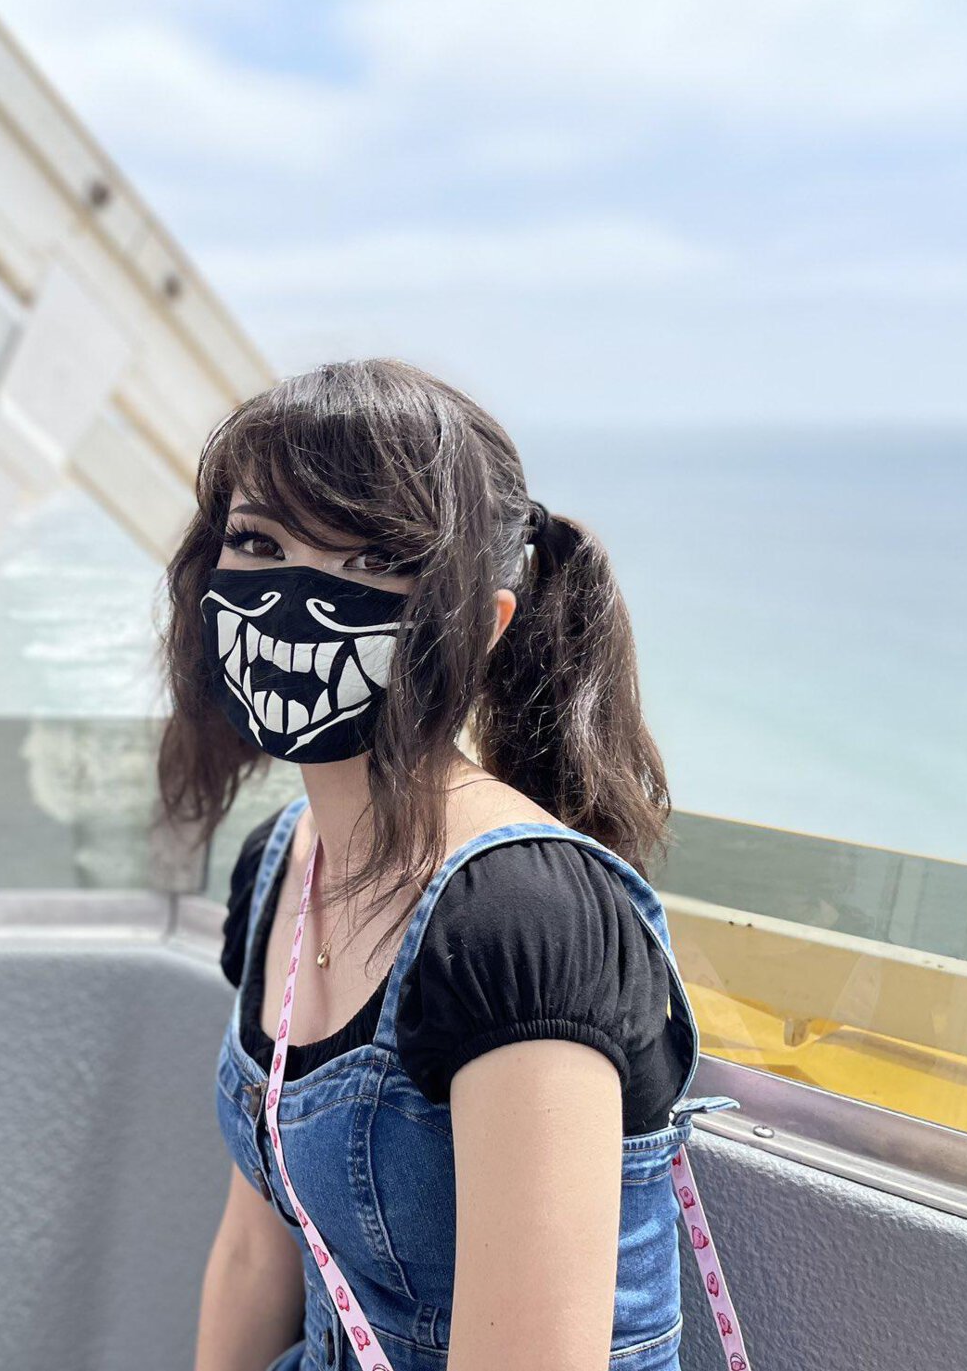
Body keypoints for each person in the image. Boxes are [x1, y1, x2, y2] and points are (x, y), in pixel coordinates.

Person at [155, 358, 744, 1371]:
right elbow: (257, 1253)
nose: (295, 595)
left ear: (482, 623)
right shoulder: (280, 863)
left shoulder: (517, 917)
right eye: (259, 542)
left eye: (372, 558)